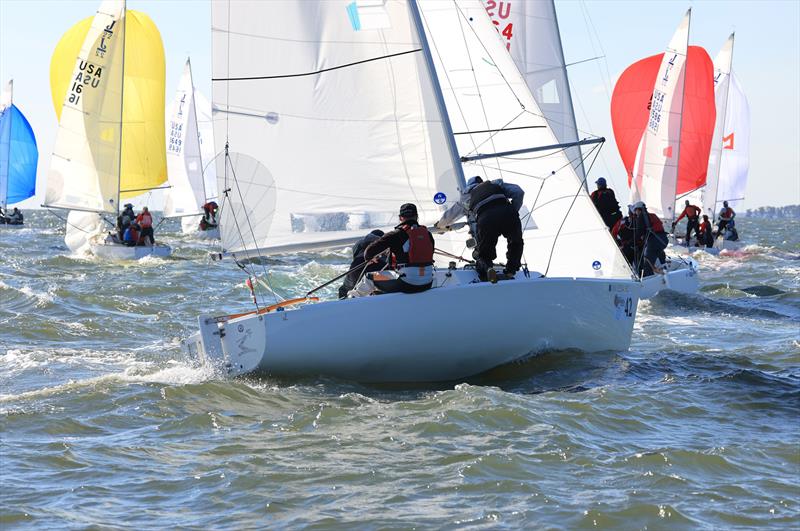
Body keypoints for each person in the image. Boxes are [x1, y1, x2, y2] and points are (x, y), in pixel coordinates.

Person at [434, 175, 524, 282]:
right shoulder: (495, 184)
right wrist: (513, 210)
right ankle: (510, 271)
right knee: (516, 242)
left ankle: (487, 270)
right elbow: (519, 192)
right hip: (508, 213)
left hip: (487, 218)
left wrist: (440, 226)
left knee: (486, 250)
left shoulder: (467, 195)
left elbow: (450, 215)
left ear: (469, 186)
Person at [361, 203, 434, 294]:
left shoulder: (396, 234)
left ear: (400, 218)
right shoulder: (428, 234)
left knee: (369, 277)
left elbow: (369, 252)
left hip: (406, 284)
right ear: (417, 217)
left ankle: (351, 301)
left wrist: (371, 258)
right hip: (428, 283)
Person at [338, 229, 387, 299]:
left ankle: (341, 305)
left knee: (344, 289)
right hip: (378, 267)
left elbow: (355, 256)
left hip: (356, 267)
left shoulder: (359, 243)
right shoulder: (385, 242)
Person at [630, 201, 668, 277]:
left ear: (639, 209)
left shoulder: (641, 217)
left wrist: (631, 243)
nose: (636, 213)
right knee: (659, 252)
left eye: (636, 211)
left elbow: (639, 233)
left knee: (647, 265)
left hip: (654, 242)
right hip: (663, 240)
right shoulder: (653, 215)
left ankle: (650, 283)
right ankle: (665, 270)